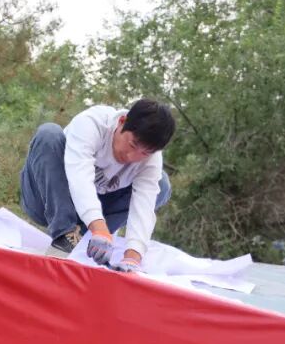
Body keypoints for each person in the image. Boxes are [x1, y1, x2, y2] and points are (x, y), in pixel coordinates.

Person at [20, 99, 176, 272]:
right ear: (122, 122)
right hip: (47, 201)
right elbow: (79, 177)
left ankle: (85, 237)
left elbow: (143, 207)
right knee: (48, 133)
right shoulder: (92, 123)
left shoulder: (151, 160)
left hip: (88, 220)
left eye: (145, 153)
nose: (132, 157)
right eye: (132, 145)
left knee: (161, 184)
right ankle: (66, 234)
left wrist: (133, 258)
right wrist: (98, 226)